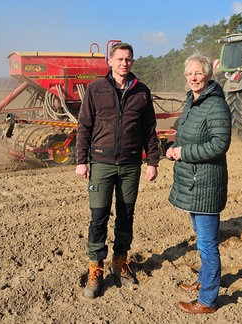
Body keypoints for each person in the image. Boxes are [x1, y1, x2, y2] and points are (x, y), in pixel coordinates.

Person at [75, 42, 159, 299]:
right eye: (120, 59)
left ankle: (120, 262)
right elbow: (84, 126)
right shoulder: (96, 89)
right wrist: (81, 160)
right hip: (101, 163)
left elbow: (149, 131)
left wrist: (152, 162)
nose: (125, 63)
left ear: (133, 62)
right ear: (110, 62)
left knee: (126, 215)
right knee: (98, 216)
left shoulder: (142, 92)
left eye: (129, 59)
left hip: (131, 165)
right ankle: (95, 268)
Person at [165, 52, 232, 314]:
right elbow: (189, 136)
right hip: (194, 182)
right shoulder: (192, 101)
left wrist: (184, 153)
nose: (193, 77)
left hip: (206, 184)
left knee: (207, 244)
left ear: (208, 74)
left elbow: (219, 144)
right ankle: (205, 281)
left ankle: (207, 301)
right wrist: (175, 148)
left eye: (198, 72)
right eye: (190, 73)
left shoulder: (215, 104)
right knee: (202, 238)